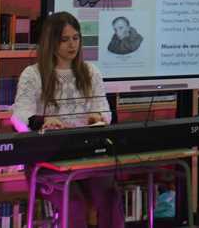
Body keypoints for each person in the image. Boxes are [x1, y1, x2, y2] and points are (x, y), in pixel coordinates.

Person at [11, 12, 123, 228]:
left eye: (76, 38)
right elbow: (19, 116)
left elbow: (105, 113)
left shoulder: (91, 72)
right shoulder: (32, 74)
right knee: (74, 205)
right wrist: (42, 121)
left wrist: (98, 117)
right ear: (51, 42)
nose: (72, 45)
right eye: (64, 40)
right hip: (48, 158)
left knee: (110, 196)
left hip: (87, 154)